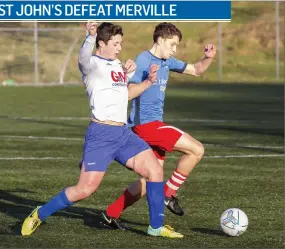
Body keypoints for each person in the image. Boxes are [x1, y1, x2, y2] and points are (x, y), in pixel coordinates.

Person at [21, 22, 183, 238]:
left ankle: (156, 227)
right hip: (101, 135)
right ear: (101, 43)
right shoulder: (91, 65)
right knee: (84, 190)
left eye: (120, 43)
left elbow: (124, 94)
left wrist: (147, 82)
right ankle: (39, 214)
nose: (119, 47)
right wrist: (89, 36)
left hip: (123, 134)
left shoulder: (116, 64)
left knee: (155, 171)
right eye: (115, 44)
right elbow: (82, 58)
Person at [102, 22, 217, 228]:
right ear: (160, 40)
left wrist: (208, 59)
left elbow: (197, 70)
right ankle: (169, 194)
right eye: (172, 45)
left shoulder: (167, 61)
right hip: (146, 125)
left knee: (149, 180)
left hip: (152, 126)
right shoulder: (143, 59)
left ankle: (112, 213)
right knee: (197, 149)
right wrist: (141, 80)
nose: (175, 50)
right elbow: (128, 89)